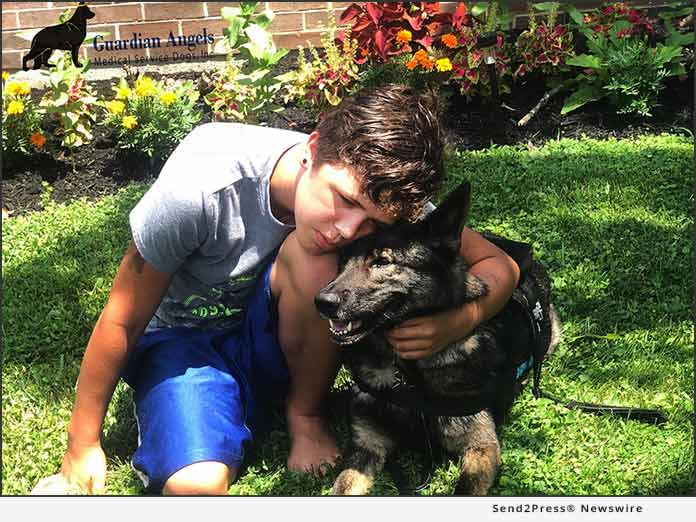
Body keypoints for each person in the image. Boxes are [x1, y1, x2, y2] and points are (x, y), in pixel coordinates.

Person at [53, 84, 520, 495]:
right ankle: (201, 403)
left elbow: (500, 265)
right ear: (313, 147)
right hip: (184, 339)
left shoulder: (383, 188)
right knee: (195, 485)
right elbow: (123, 315)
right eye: (344, 201)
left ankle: (306, 414)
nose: (347, 229)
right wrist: (82, 443)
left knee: (320, 261)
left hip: (277, 333)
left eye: (374, 223)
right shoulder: (201, 186)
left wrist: (460, 321)